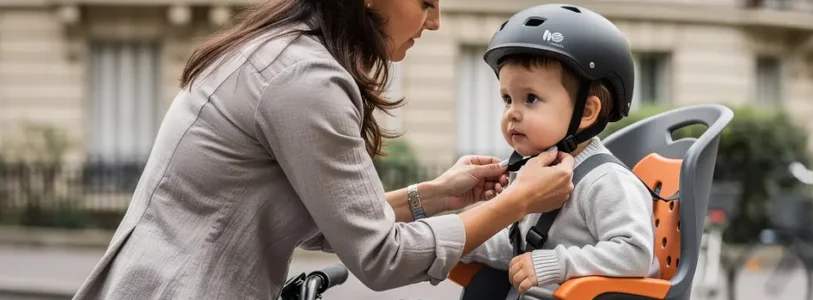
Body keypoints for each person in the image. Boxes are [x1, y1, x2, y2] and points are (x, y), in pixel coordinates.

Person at [71, 0, 577, 299]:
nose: (435, 21)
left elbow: (332, 220)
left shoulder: (279, 49)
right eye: (425, 1)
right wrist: (515, 203)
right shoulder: (304, 78)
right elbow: (380, 256)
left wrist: (439, 193)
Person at [458, 4, 659, 299]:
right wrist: (464, 240)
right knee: (483, 287)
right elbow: (521, 246)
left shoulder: (607, 181)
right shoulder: (536, 170)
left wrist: (555, 263)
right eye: (507, 98)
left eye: (531, 98)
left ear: (587, 111)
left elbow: (635, 253)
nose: (512, 113)